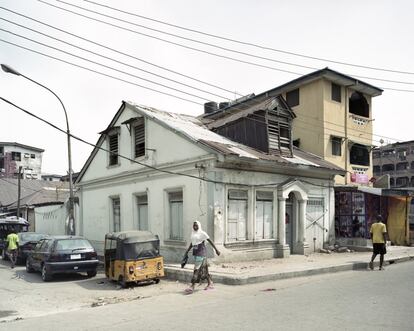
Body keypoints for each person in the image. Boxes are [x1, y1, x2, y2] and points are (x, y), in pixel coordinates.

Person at [183, 220, 220, 293]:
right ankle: (210, 283)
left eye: (196, 225)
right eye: (194, 225)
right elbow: (192, 243)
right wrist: (187, 251)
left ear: (199, 226)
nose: (195, 227)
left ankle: (192, 286)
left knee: (196, 269)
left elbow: (210, 241)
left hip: (201, 253)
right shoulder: (193, 233)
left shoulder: (202, 233)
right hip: (196, 253)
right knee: (204, 269)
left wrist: (216, 249)